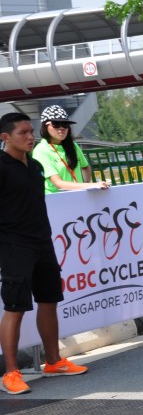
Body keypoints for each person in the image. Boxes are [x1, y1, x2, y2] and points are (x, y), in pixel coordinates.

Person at [1, 112, 88, 395]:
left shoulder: (36, 165)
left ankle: (54, 361)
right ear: (5, 137)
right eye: (22, 133)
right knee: (15, 308)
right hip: (14, 246)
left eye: (30, 132)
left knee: (49, 300)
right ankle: (11, 373)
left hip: (43, 243)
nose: (30, 137)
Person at [32, 105, 109, 193]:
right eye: (56, 124)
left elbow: (86, 167)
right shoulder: (41, 151)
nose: (61, 128)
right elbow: (59, 184)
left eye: (65, 124)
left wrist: (85, 184)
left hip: (76, 196)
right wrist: (91, 185)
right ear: (45, 126)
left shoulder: (73, 145)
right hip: (55, 200)